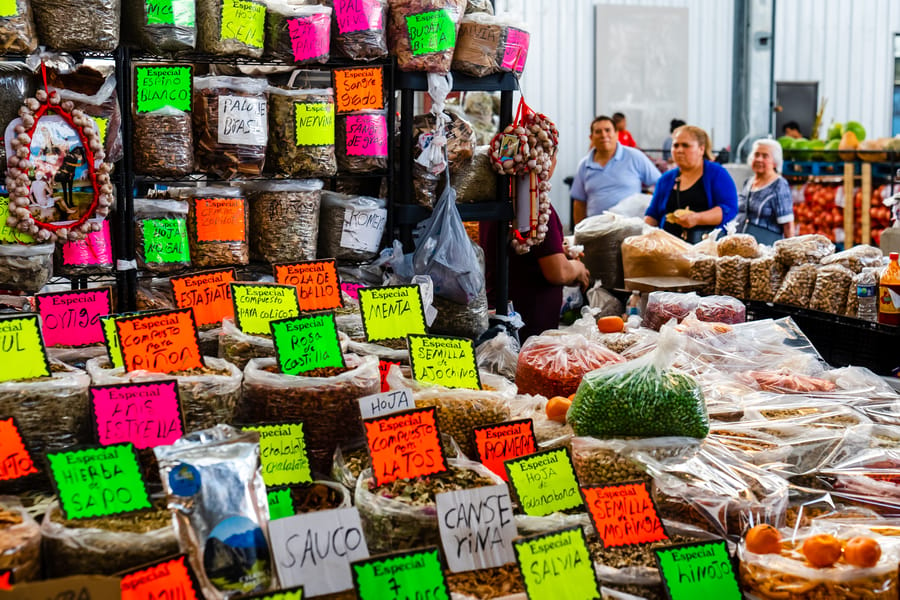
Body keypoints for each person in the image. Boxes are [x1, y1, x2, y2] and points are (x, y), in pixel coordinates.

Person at [482, 155, 590, 342]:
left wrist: (559, 252)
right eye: (553, 156)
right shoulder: (534, 206)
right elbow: (557, 272)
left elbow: (524, 252)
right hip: (528, 326)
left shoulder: (498, 199)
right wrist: (578, 269)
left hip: (503, 317)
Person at [644, 125, 738, 242]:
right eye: (676, 145)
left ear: (701, 149)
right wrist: (643, 236)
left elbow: (729, 209)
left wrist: (697, 218)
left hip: (704, 247)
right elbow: (653, 214)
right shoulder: (665, 179)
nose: (679, 150)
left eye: (685, 145)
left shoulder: (717, 174)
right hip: (667, 247)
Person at [570, 115, 660, 224]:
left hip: (630, 231)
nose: (604, 135)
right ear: (591, 137)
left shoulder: (635, 157)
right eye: (598, 132)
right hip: (596, 230)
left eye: (608, 130)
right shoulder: (584, 165)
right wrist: (580, 232)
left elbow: (660, 184)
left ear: (617, 134)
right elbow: (579, 203)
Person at [735, 139, 794, 241]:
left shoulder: (779, 185)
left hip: (766, 246)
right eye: (756, 155)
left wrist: (790, 250)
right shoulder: (748, 182)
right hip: (744, 244)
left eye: (765, 156)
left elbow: (787, 225)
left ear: (775, 162)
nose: (759, 159)